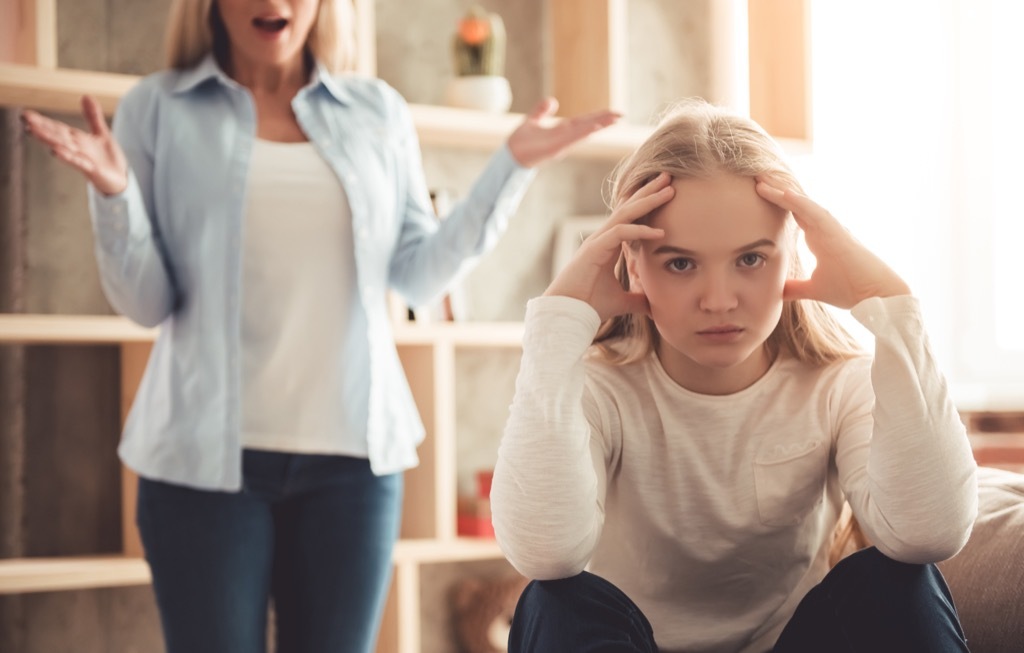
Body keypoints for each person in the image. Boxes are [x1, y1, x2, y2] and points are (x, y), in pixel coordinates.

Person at [20, 1, 619, 651]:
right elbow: (146, 301)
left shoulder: (376, 111)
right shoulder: (158, 108)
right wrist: (115, 195)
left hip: (351, 470)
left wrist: (511, 167)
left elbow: (418, 277)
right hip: (200, 467)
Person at [490, 99, 979, 653]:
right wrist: (556, 328)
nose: (719, 301)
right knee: (553, 600)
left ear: (791, 253)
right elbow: (543, 552)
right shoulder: (598, 391)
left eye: (751, 259)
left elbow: (930, 533)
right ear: (633, 263)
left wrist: (890, 306)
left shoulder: (838, 386)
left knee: (898, 582)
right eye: (680, 263)